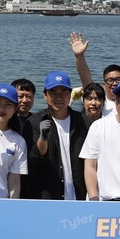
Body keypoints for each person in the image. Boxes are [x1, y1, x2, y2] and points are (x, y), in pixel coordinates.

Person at [26, 71, 88, 200]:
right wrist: (43, 138)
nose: (59, 97)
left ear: (70, 94)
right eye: (53, 92)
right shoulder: (34, 122)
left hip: (80, 196)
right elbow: (33, 161)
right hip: (48, 198)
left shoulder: (84, 122)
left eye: (64, 92)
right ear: (45, 95)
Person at [70, 31, 120, 117]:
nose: (114, 83)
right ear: (104, 85)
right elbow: (85, 78)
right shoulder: (100, 101)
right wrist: (79, 57)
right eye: (110, 80)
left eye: (118, 80)